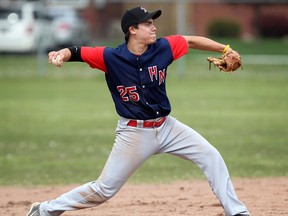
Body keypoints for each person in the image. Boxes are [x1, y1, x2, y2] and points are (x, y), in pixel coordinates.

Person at [27, 6, 250, 216]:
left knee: (210, 155)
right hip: (134, 134)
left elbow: (190, 40)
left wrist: (226, 49)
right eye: (148, 24)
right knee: (104, 190)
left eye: (153, 23)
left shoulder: (163, 48)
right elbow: (76, 52)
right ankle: (45, 209)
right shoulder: (111, 57)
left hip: (167, 126)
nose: (154, 27)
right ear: (132, 30)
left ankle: (237, 211)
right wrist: (60, 55)